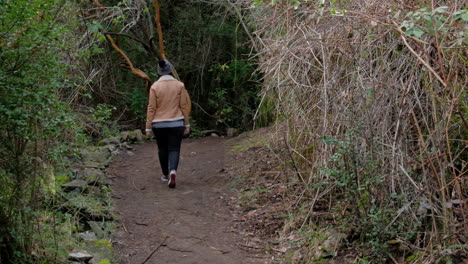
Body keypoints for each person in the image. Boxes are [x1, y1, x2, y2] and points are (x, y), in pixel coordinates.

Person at [145, 60, 191, 188]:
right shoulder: (179, 85)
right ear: (171, 70)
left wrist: (148, 127)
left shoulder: (154, 87)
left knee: (162, 149)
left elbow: (151, 108)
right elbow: (184, 106)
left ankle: (165, 175)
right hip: (176, 123)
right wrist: (186, 124)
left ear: (159, 72)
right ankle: (173, 171)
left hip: (159, 124)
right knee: (174, 148)